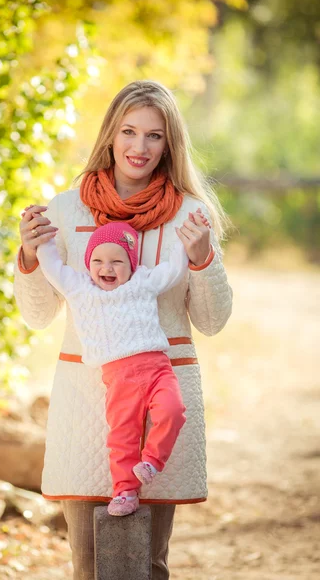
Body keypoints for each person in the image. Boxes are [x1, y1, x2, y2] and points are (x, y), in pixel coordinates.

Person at [14, 80, 233, 578]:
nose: (139, 147)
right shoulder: (65, 211)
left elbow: (213, 321)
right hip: (86, 403)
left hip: (162, 396)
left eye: (154, 136)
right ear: (110, 136)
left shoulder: (190, 215)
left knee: (146, 563)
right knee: (88, 564)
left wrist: (201, 259)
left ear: (169, 144)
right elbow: (37, 314)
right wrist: (28, 255)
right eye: (129, 132)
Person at [35, 220, 205, 515]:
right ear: (88, 263)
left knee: (173, 411)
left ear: (131, 264)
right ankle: (125, 491)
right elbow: (53, 268)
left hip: (157, 368)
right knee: (122, 437)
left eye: (117, 261)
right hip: (119, 377)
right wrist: (43, 241)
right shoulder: (80, 289)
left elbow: (174, 270)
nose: (107, 268)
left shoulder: (143, 281)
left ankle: (152, 462)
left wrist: (185, 242)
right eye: (98, 260)